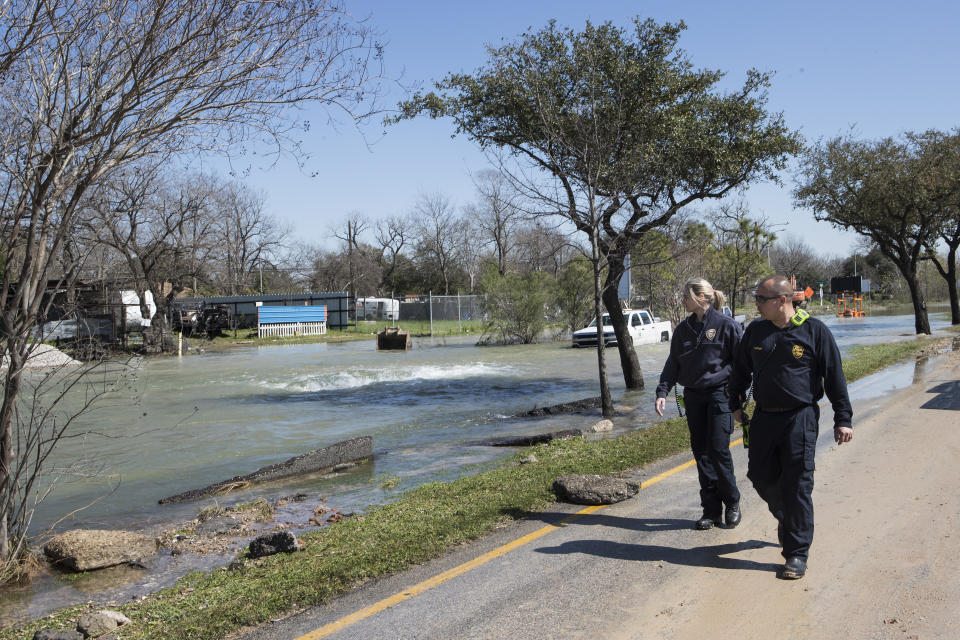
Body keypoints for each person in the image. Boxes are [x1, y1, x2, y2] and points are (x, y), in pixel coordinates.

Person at [728, 275, 853, 580]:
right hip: (765, 418)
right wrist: (735, 402)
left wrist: (843, 418)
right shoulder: (756, 332)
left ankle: (796, 553)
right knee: (759, 475)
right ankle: (789, 519)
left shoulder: (814, 330)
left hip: (801, 418)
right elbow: (741, 371)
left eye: (761, 299)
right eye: (756, 298)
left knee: (798, 485)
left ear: (782, 300)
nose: (756, 304)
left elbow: (834, 375)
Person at [656, 278, 743, 531]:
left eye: (686, 295)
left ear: (702, 297)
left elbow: (742, 363)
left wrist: (736, 395)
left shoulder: (726, 326)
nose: (682, 299)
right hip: (693, 397)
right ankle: (711, 511)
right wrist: (662, 391)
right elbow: (673, 364)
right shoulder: (683, 329)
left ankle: (732, 502)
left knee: (718, 451)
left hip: (720, 395)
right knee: (701, 454)